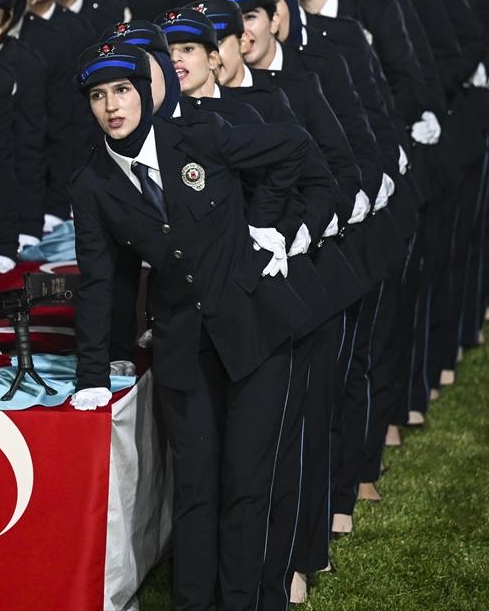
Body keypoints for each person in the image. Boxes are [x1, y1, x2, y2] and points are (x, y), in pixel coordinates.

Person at [68, 41, 312, 611]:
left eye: (122, 90)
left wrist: (264, 226)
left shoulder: (200, 136)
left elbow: (294, 146)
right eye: (98, 96)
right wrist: (91, 374)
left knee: (246, 485)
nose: (112, 106)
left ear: (146, 92)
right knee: (196, 490)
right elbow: (98, 283)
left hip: (252, 333)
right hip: (183, 346)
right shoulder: (91, 184)